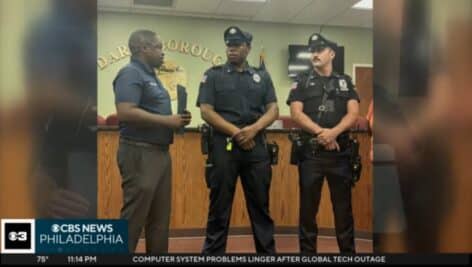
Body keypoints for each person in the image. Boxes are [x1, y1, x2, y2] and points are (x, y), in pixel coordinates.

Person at [196, 26, 279, 254]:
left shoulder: (262, 76)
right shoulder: (213, 75)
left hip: (257, 149)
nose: (231, 49)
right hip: (224, 147)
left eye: (237, 45)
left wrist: (253, 129)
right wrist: (236, 132)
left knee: (261, 208)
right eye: (228, 45)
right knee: (219, 208)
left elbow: (273, 110)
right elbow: (206, 111)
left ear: (248, 48)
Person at [113, 29, 191, 253]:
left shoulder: (151, 76)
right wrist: (168, 121)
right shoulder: (130, 73)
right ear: (143, 48)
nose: (162, 52)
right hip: (139, 153)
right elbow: (125, 112)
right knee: (133, 219)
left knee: (159, 221)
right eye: (158, 47)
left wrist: (177, 120)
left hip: (159, 153)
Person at [287, 33, 360, 253]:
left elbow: (353, 113)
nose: (315, 54)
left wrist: (334, 133)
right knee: (308, 213)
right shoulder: (300, 81)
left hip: (341, 155)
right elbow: (296, 113)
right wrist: (322, 133)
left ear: (332, 54)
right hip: (312, 155)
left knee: (343, 212)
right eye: (312, 50)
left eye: (320, 49)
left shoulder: (345, 81)